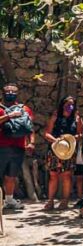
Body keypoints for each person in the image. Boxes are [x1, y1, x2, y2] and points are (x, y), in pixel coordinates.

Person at [42, 95, 81, 211]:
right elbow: (47, 133)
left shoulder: (77, 118)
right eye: (67, 103)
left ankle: (65, 201)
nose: (70, 106)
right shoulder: (55, 116)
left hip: (68, 149)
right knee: (53, 175)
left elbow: (81, 134)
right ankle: (50, 201)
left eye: (72, 104)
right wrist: (56, 141)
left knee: (67, 176)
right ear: (62, 104)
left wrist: (71, 139)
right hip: (55, 149)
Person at [0, 83, 33, 211]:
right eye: (8, 91)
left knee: (11, 175)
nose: (10, 93)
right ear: (3, 93)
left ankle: (9, 200)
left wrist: (31, 142)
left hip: (18, 147)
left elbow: (30, 128)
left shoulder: (24, 109)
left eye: (13, 92)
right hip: (1, 146)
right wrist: (9, 116)